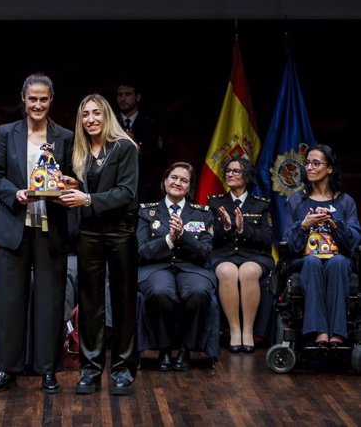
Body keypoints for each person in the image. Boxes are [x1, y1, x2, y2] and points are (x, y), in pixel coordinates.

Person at [0, 73, 74, 394]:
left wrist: (66, 182)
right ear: (23, 99)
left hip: (51, 229)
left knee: (50, 303)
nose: (38, 105)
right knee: (9, 303)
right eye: (32, 98)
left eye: (44, 99)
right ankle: (6, 370)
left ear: (51, 100)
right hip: (14, 227)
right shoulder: (7, 133)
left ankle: (48, 371)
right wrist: (15, 193)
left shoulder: (64, 136)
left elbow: (75, 178)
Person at [59, 94, 139, 395]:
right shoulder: (79, 151)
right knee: (91, 303)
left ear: (107, 116)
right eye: (85, 114)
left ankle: (122, 371)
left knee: (122, 302)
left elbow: (126, 193)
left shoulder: (124, 147)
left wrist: (88, 199)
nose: (90, 119)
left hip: (120, 231)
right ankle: (90, 370)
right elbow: (90, 189)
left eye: (96, 113)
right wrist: (75, 187)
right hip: (89, 231)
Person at [137, 161, 215, 371]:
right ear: (165, 181)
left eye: (184, 180)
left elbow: (205, 252)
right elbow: (141, 251)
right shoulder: (146, 212)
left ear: (190, 188)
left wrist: (183, 236)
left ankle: (185, 349)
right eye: (173, 177)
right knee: (160, 291)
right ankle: (163, 349)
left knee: (198, 292)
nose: (177, 183)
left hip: (192, 267)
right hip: (156, 267)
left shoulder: (203, 213)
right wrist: (169, 240)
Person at [283, 144, 361, 347]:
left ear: (330, 169)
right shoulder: (296, 201)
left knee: (338, 263)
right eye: (307, 163)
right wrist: (304, 226)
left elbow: (353, 242)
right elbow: (289, 243)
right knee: (312, 262)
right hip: (305, 259)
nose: (309, 167)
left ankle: (337, 333)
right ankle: (319, 331)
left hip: (338, 259)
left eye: (316, 163)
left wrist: (334, 224)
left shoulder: (345, 202)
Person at [208, 158, 275, 353]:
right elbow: (209, 237)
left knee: (248, 271)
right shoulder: (215, 202)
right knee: (227, 271)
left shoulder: (261, 205)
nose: (230, 174)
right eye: (228, 171)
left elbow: (266, 239)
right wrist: (227, 227)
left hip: (254, 255)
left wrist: (243, 229)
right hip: (223, 254)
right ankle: (235, 330)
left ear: (246, 176)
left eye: (236, 171)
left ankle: (248, 331)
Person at [115, 81, 166, 203]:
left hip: (143, 187)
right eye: (119, 95)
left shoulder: (151, 124)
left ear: (137, 97)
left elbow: (158, 158)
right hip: (115, 185)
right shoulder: (110, 123)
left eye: (127, 94)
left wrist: (136, 145)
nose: (122, 99)